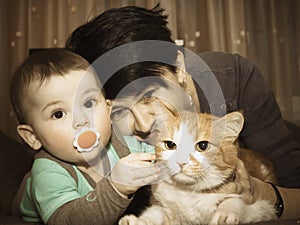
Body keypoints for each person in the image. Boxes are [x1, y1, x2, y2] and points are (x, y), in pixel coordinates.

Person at [65, 4, 300, 219]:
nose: (143, 125)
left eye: (148, 95)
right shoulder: (102, 123)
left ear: (178, 67)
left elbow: (294, 185)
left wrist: (257, 190)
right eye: (118, 112)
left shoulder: (236, 79)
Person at [9, 49, 160, 225]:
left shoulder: (122, 144)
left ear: (108, 109)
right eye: (58, 114)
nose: (81, 121)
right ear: (33, 136)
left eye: (88, 103)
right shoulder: (48, 171)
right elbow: (67, 220)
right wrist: (115, 188)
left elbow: (161, 158)